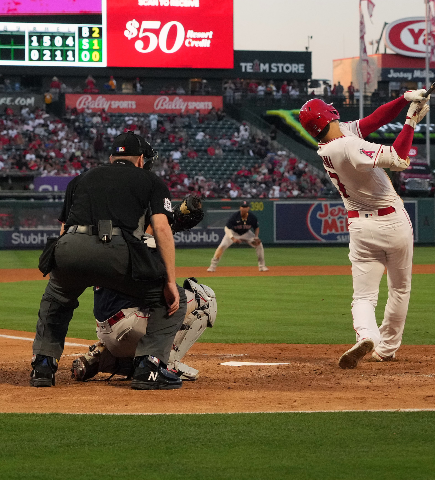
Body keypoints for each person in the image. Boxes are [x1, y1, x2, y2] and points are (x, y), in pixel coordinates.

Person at [30, 131, 187, 390]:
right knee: (170, 299)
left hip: (70, 247)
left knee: (56, 300)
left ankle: (43, 366)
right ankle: (148, 366)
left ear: (113, 157)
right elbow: (161, 228)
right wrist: (169, 281)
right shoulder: (150, 180)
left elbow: (64, 229)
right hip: (117, 251)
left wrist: (63, 272)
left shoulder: (80, 179)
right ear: (140, 160)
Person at [298, 89, 429, 368]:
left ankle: (367, 336)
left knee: (363, 296)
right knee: (399, 289)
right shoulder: (347, 146)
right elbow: (399, 159)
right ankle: (387, 349)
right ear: (329, 114)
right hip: (393, 221)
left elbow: (374, 120)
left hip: (360, 226)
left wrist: (404, 99)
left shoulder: (334, 141)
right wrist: (410, 122)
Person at [71, 277, 217, 382]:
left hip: (106, 332)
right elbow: (166, 295)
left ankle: (101, 359)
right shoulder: (138, 252)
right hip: (128, 327)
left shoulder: (111, 253)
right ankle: (166, 364)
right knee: (206, 299)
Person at [207, 201, 267, 271]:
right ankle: (212, 266)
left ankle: (262, 266)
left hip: (246, 233)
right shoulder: (235, 216)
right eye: (243, 207)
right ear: (240, 208)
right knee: (222, 246)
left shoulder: (252, 217)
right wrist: (233, 238)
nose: (244, 208)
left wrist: (256, 237)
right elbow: (227, 228)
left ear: (248, 208)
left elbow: (256, 227)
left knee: (259, 245)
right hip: (233, 233)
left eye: (246, 207)